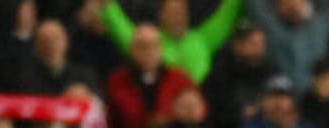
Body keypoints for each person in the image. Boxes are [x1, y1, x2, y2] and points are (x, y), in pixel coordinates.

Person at [102, 0, 244, 83]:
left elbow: (226, 16)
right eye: (172, 13)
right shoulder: (149, 40)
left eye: (181, 12)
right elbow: (120, 25)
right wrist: (107, 7)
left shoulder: (202, 40)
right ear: (161, 16)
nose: (177, 17)